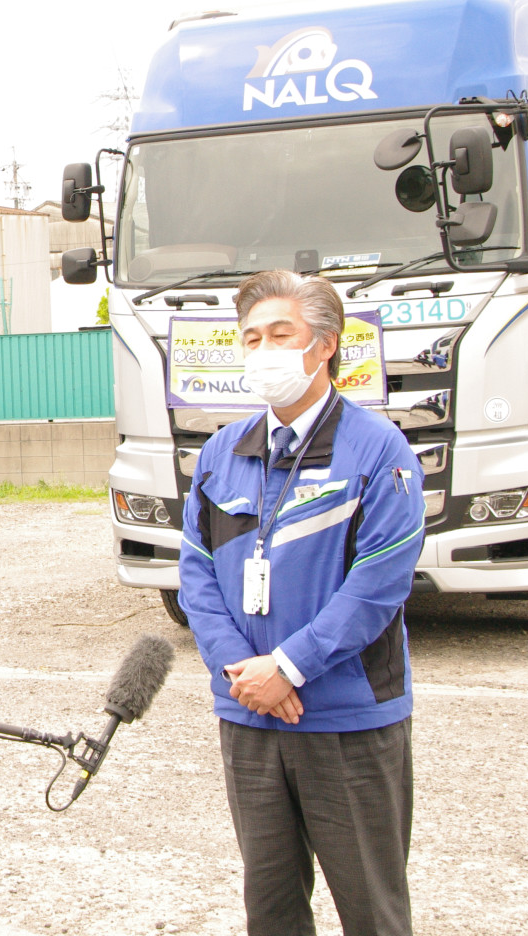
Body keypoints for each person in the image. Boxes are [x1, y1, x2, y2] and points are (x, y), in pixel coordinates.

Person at [178, 269, 425, 936]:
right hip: (249, 715)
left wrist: (288, 667)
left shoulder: (378, 450)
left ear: (326, 344)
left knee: (372, 912)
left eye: (280, 335)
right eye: (252, 338)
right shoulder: (221, 453)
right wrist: (242, 672)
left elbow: (378, 584)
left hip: (347, 719)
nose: (263, 351)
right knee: (272, 911)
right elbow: (196, 575)